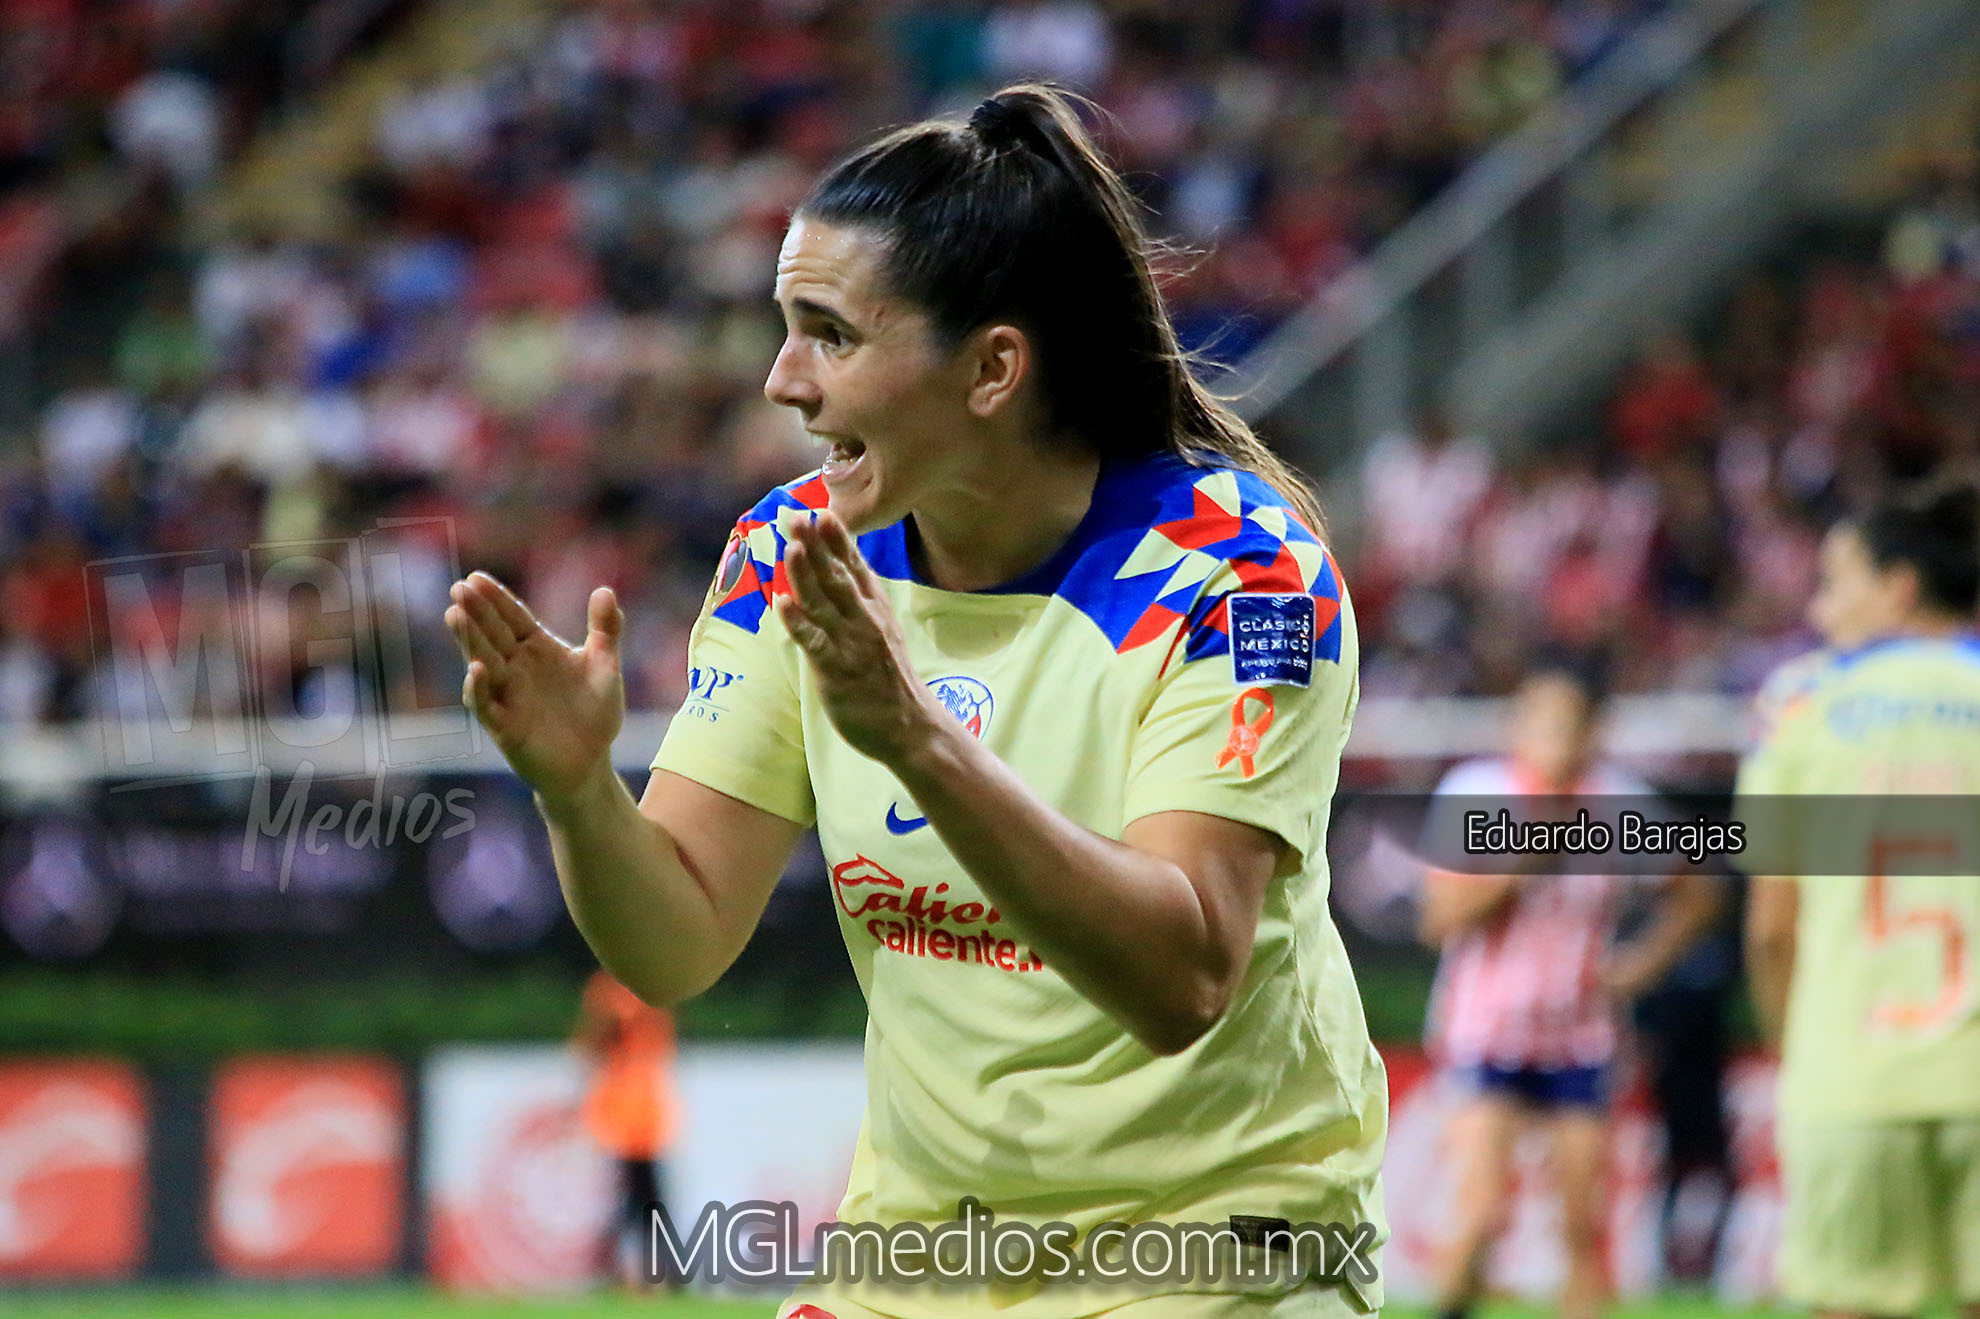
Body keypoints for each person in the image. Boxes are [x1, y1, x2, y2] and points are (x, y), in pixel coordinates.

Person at [443, 84, 1387, 1319]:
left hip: (1213, 1249)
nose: (782, 381)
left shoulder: (1240, 576)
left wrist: (917, 739)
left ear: (992, 368)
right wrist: (578, 792)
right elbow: (674, 942)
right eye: (785, 329)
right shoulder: (792, 551)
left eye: (830, 335)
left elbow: (1185, 975)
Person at [1418, 654, 1721, 1319]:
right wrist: (1519, 859)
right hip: (1485, 1029)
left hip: (1580, 1035)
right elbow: (1438, 919)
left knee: (1582, 1226)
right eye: (1539, 719)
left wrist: (1641, 965)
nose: (1552, 736)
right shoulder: (1478, 791)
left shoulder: (1619, 802)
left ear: (1594, 730)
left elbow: (1699, 893)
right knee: (1482, 1212)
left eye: (1567, 722)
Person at [1740, 480, 1980, 1319]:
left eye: (1835, 581)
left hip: (1852, 1076)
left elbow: (1772, 927)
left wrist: (1791, 1047)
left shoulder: (1801, 702)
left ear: (1899, 586)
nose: (1818, 607)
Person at [573, 967, 680, 1290]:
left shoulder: (633, 993)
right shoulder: (619, 991)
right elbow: (593, 1042)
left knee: (639, 1201)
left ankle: (611, 1268)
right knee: (643, 1201)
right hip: (627, 1118)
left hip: (640, 1118)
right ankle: (664, 1271)